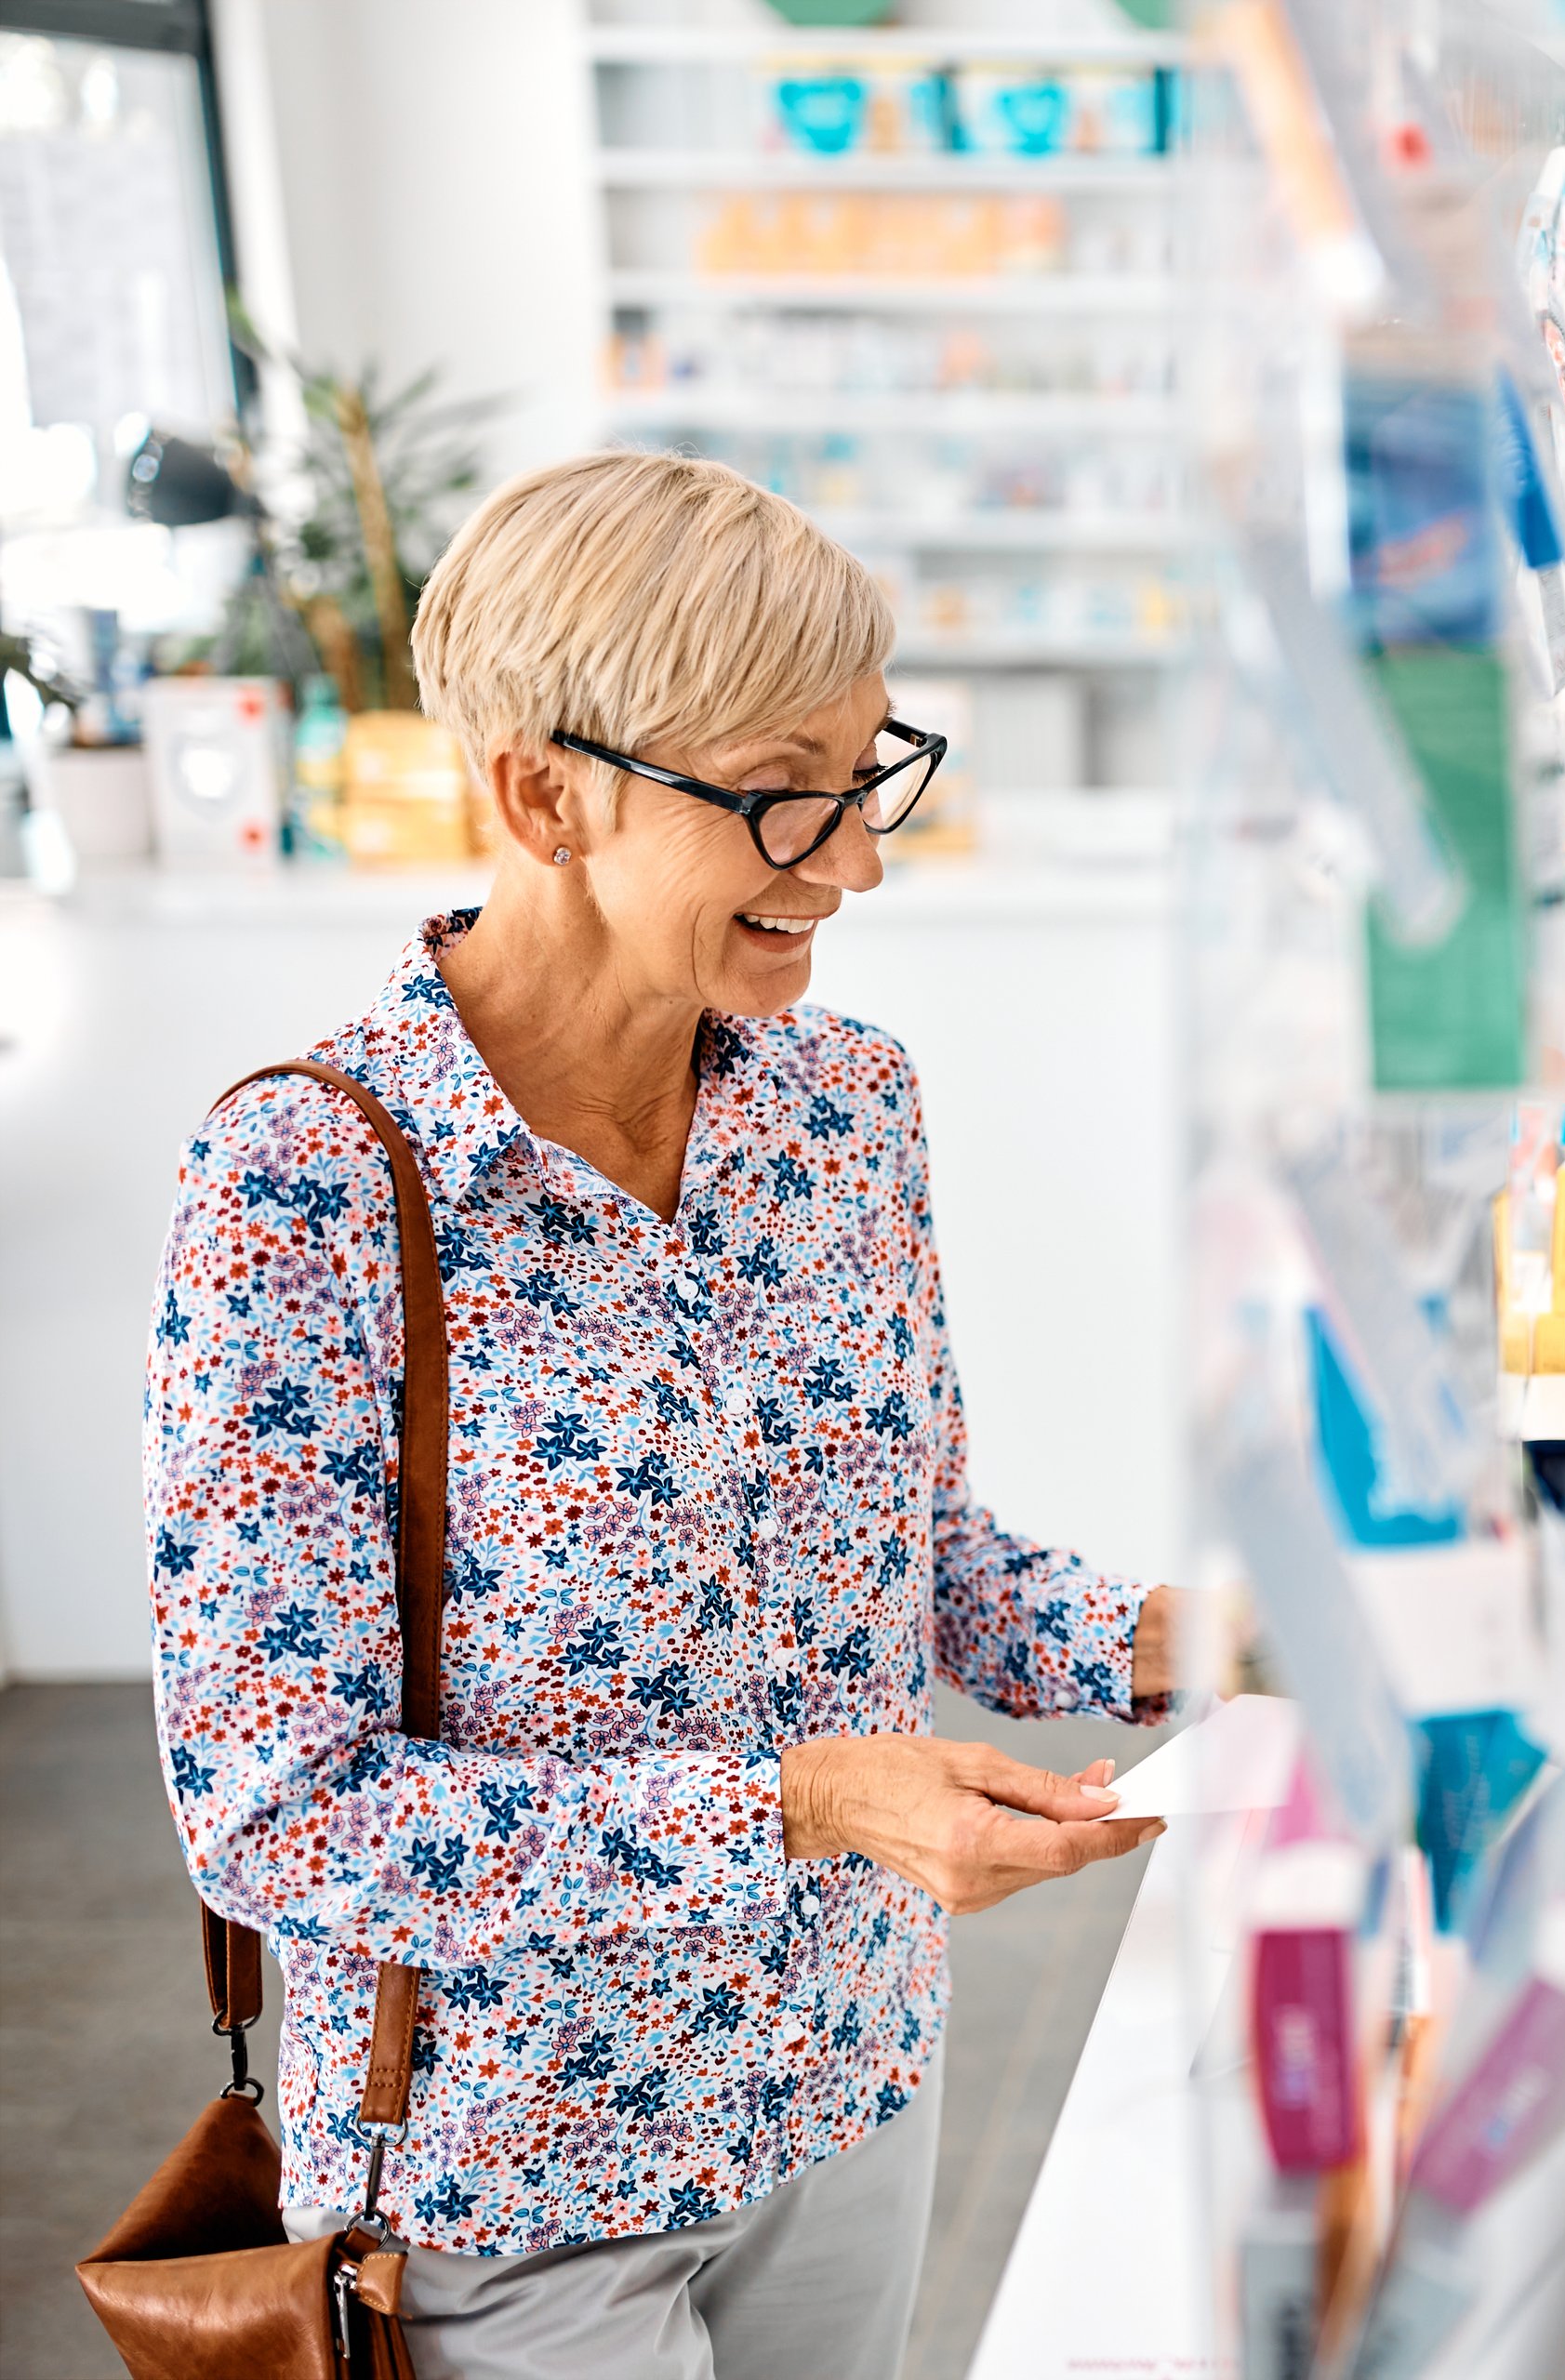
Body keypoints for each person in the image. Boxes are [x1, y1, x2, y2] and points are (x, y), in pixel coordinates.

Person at [142, 451, 1200, 2380]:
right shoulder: (305, 1185)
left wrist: (1189, 1634)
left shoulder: (844, 1104)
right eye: (787, 793)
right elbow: (274, 1812)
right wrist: (793, 1801)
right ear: (546, 792)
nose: (858, 860)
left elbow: (931, 1557)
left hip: (847, 2081)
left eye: (870, 774)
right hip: (515, 2190)